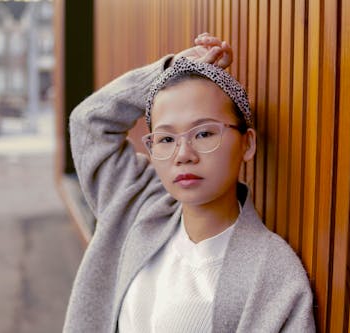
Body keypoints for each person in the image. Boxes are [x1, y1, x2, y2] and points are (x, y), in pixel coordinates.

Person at [64, 33, 315, 332]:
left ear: (247, 144)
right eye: (166, 139)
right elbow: (89, 122)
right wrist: (171, 69)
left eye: (204, 133)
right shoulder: (140, 206)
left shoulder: (273, 275)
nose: (183, 155)